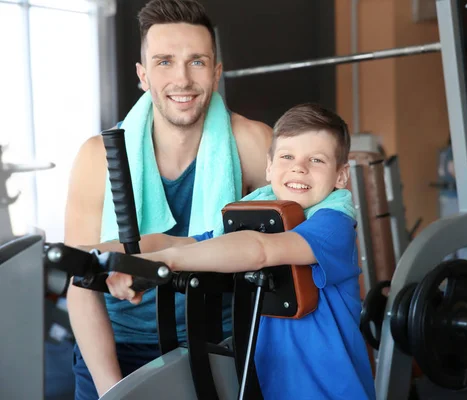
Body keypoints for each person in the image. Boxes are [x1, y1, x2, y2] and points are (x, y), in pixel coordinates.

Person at [93, 103, 376, 400]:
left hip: (328, 391)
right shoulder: (259, 210)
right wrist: (100, 254)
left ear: (341, 176)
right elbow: (182, 243)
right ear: (269, 166)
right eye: (287, 156)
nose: (298, 167)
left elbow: (260, 250)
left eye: (316, 160)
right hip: (266, 386)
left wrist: (162, 262)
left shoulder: (333, 224)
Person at [64, 0, 272, 398]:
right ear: (142, 75)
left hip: (221, 339)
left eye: (196, 61)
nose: (182, 79)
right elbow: (81, 284)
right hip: (117, 346)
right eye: (164, 62)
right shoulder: (98, 156)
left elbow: (296, 243)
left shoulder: (251, 142)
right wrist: (114, 392)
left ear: (216, 71)